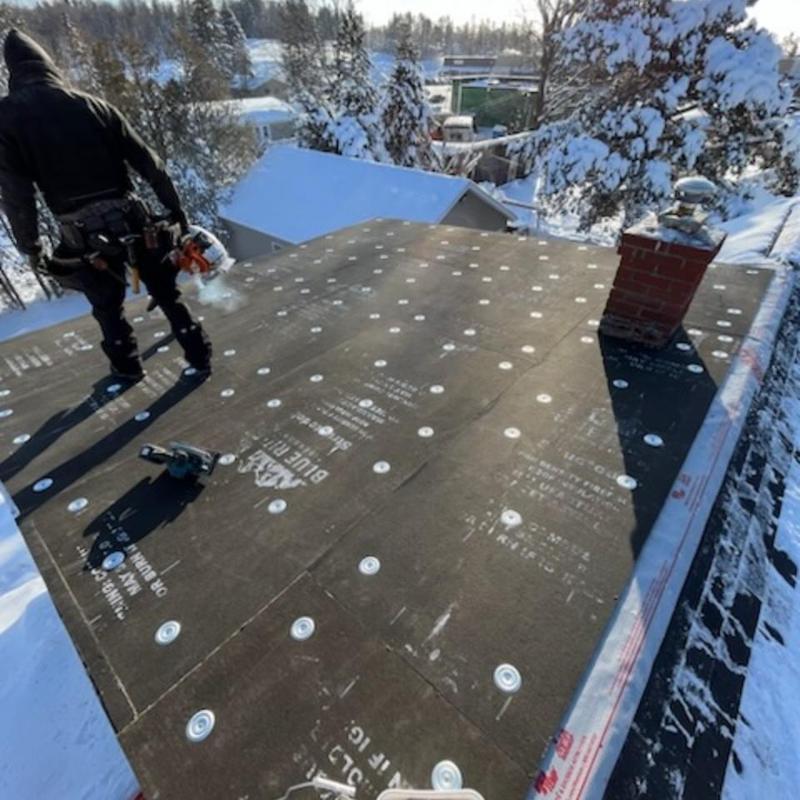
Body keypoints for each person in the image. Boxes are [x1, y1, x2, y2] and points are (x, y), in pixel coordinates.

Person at [0, 29, 211, 381]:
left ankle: (127, 366)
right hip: (133, 218)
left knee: (107, 307)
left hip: (81, 233)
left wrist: (31, 247)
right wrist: (176, 212)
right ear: (48, 64)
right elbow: (150, 164)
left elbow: (17, 194)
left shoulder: (7, 118)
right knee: (166, 293)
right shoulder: (92, 104)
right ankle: (199, 354)